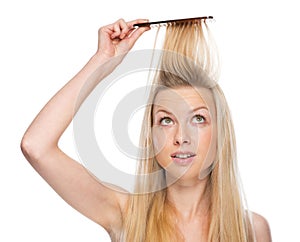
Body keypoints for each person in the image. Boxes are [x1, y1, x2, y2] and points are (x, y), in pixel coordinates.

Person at [21, 18, 272, 242]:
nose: (182, 138)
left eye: (197, 119)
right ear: (150, 136)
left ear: (220, 133)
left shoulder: (251, 230)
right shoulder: (126, 216)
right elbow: (36, 146)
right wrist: (103, 61)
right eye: (166, 121)